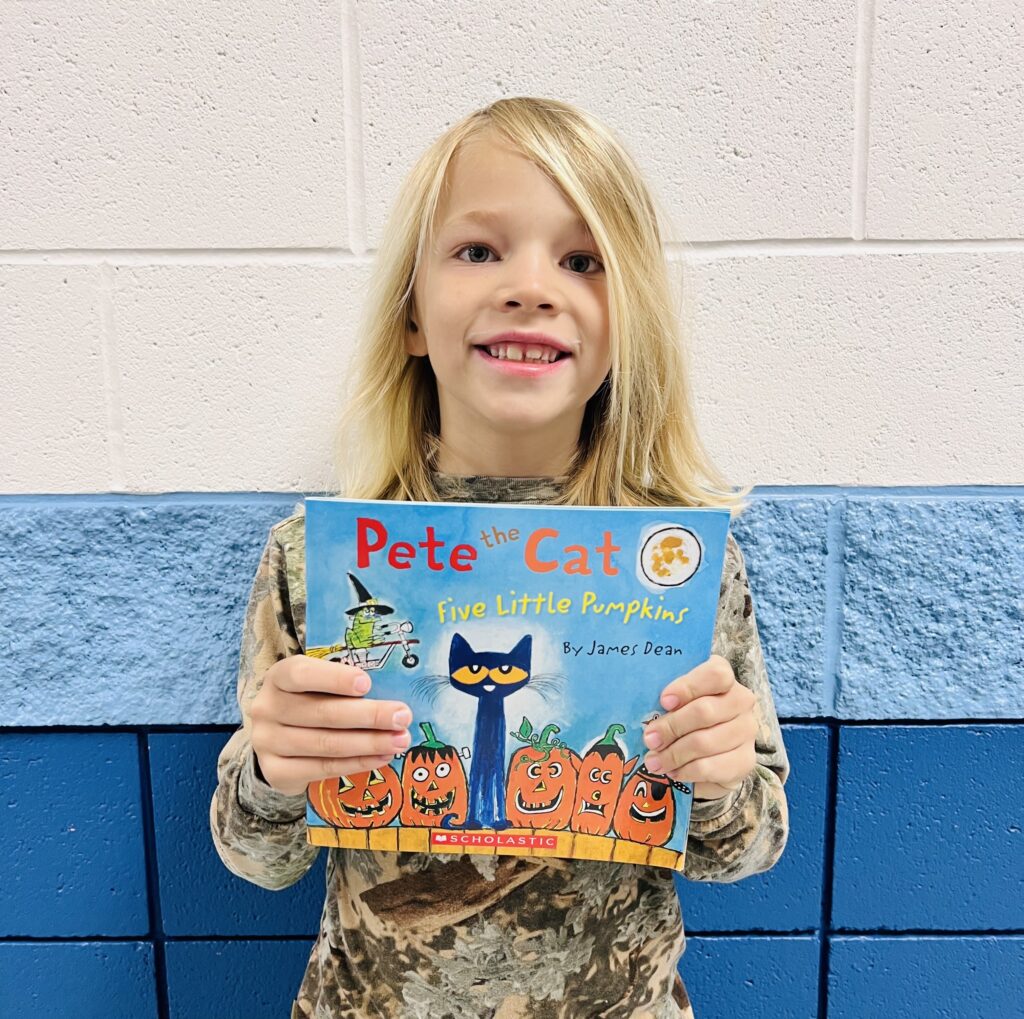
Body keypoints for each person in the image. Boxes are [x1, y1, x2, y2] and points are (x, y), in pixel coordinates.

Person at [210, 96, 790, 1019]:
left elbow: (745, 852)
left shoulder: (680, 563)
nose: (530, 285)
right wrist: (274, 771)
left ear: (627, 320)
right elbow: (258, 858)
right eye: (479, 251)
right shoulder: (318, 561)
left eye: (581, 260)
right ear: (410, 314)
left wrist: (719, 778)